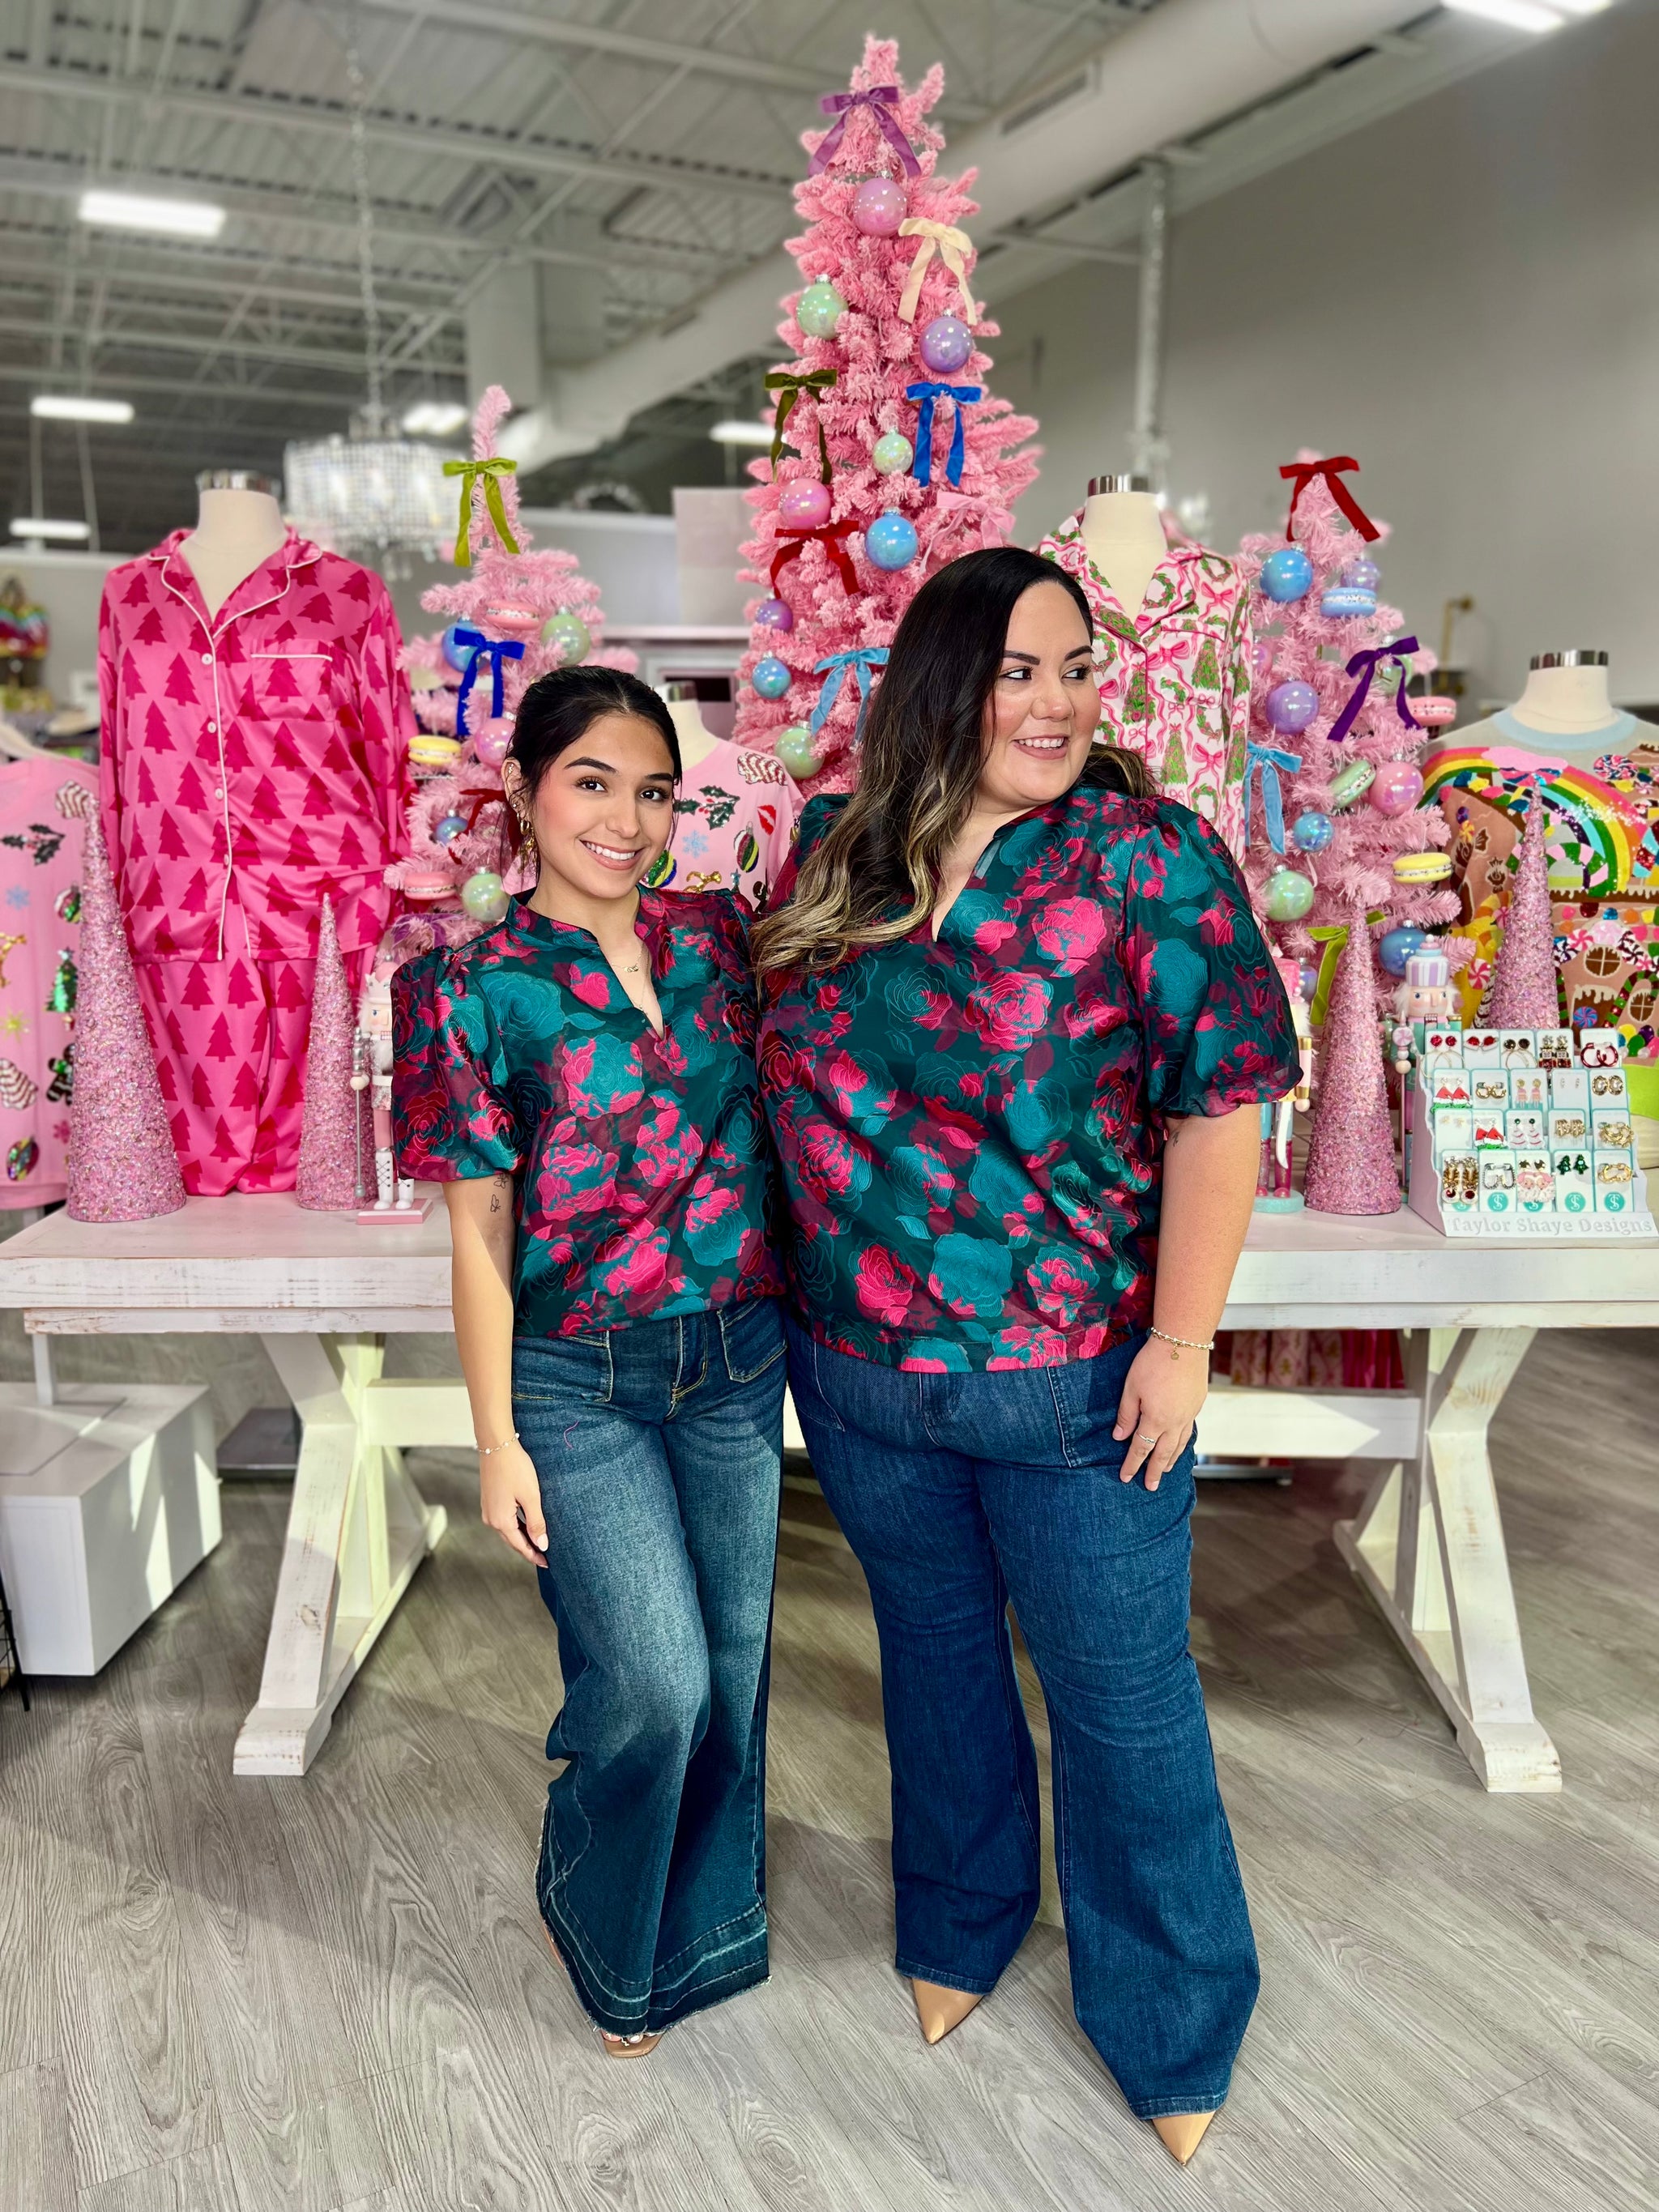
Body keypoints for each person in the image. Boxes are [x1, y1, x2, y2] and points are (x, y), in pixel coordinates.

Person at [752, 546, 1300, 2164]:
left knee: (1123, 1705)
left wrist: (1181, 1344)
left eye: (1074, 668)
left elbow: (1220, 1110)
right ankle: (959, 1925)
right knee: (931, 1672)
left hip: (1076, 1388)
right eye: (1016, 671)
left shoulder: (1143, 857)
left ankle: (1174, 2019)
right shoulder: (836, 850)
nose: (1055, 703)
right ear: (942, 684)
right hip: (862, 1379)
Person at [393, 666, 786, 2055]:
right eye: (593, 783)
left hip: (737, 1360)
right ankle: (599, 1910)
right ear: (525, 791)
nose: (627, 820)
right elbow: (479, 1228)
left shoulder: (722, 941)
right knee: (656, 1683)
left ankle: (709, 1926)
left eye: (655, 792)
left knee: (731, 1672)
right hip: (576, 1381)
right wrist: (495, 1438)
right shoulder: (464, 988)